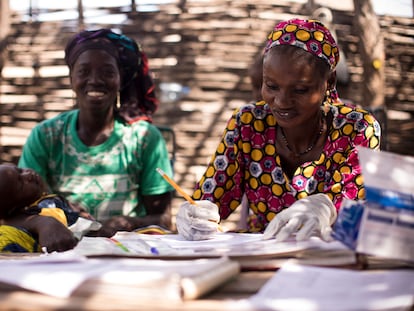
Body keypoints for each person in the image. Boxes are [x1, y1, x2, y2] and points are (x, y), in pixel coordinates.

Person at [176, 18, 381, 242]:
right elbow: (209, 200)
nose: (282, 102)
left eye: (300, 90)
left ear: (329, 82)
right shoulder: (247, 124)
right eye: (271, 86)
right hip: (260, 251)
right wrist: (195, 214)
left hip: (327, 258)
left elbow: (357, 210)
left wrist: (329, 208)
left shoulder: (357, 129)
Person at [18, 29, 174, 238]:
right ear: (71, 77)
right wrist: (46, 223)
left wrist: (128, 223)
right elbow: (19, 211)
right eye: (84, 71)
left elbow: (163, 219)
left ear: (120, 79)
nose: (95, 80)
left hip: (128, 255)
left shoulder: (145, 139)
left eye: (108, 72)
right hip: (59, 254)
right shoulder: (46, 136)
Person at [0, 164, 80, 252]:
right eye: (21, 184)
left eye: (20, 170)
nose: (28, 174)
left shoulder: (47, 200)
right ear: (14, 209)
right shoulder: (41, 210)